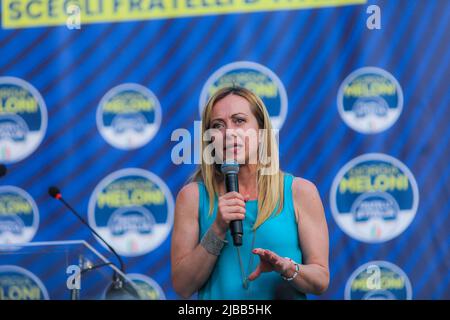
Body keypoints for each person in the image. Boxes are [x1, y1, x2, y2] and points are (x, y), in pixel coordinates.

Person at [171, 86, 329, 299]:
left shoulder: (299, 192)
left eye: (239, 121)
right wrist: (217, 228)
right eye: (218, 125)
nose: (229, 133)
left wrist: (287, 268)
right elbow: (182, 286)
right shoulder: (192, 197)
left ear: (262, 132)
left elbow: (320, 280)